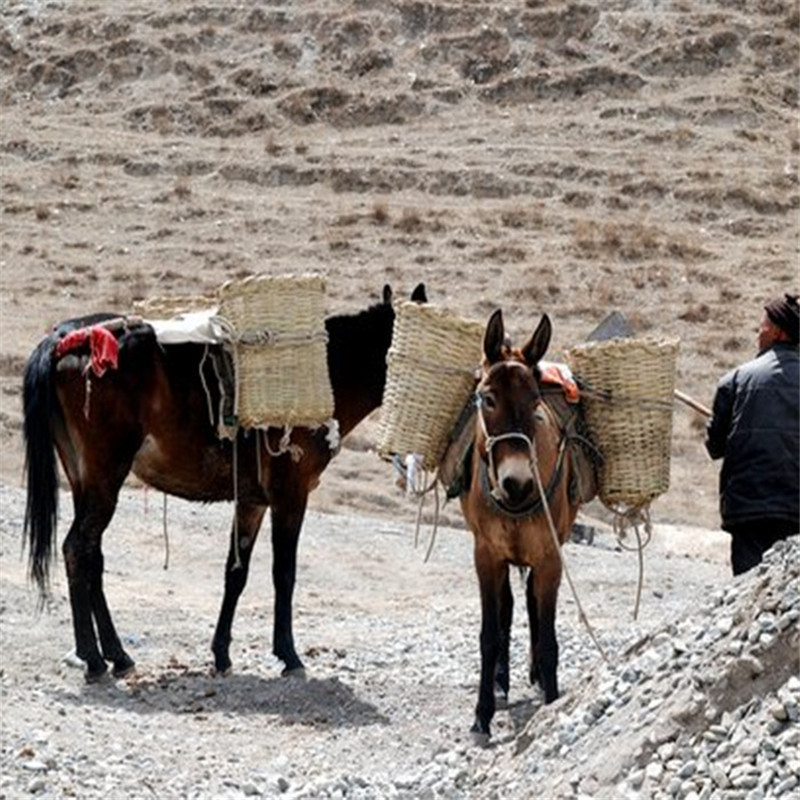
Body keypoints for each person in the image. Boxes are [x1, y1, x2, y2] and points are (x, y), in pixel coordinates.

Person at [705, 293, 800, 576]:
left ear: (777, 332)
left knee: (750, 591)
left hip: (750, 510)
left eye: (762, 326)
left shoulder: (735, 380)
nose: (758, 333)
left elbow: (714, 447)